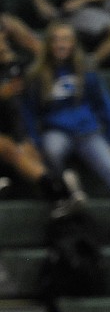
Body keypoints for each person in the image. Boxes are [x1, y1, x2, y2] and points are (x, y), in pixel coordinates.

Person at [19, 21, 110, 217]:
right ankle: (69, 193)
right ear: (49, 44)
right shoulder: (37, 75)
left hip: (87, 130)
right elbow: (29, 111)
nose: (61, 44)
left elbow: (103, 103)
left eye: (66, 39)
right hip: (56, 130)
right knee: (52, 150)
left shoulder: (86, 71)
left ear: (73, 44)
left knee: (109, 166)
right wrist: (34, 139)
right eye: (56, 40)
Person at [0, 12, 78, 213]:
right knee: (9, 147)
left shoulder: (18, 64)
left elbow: (21, 107)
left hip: (16, 129)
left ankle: (60, 195)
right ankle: (60, 192)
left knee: (22, 150)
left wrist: (24, 137)